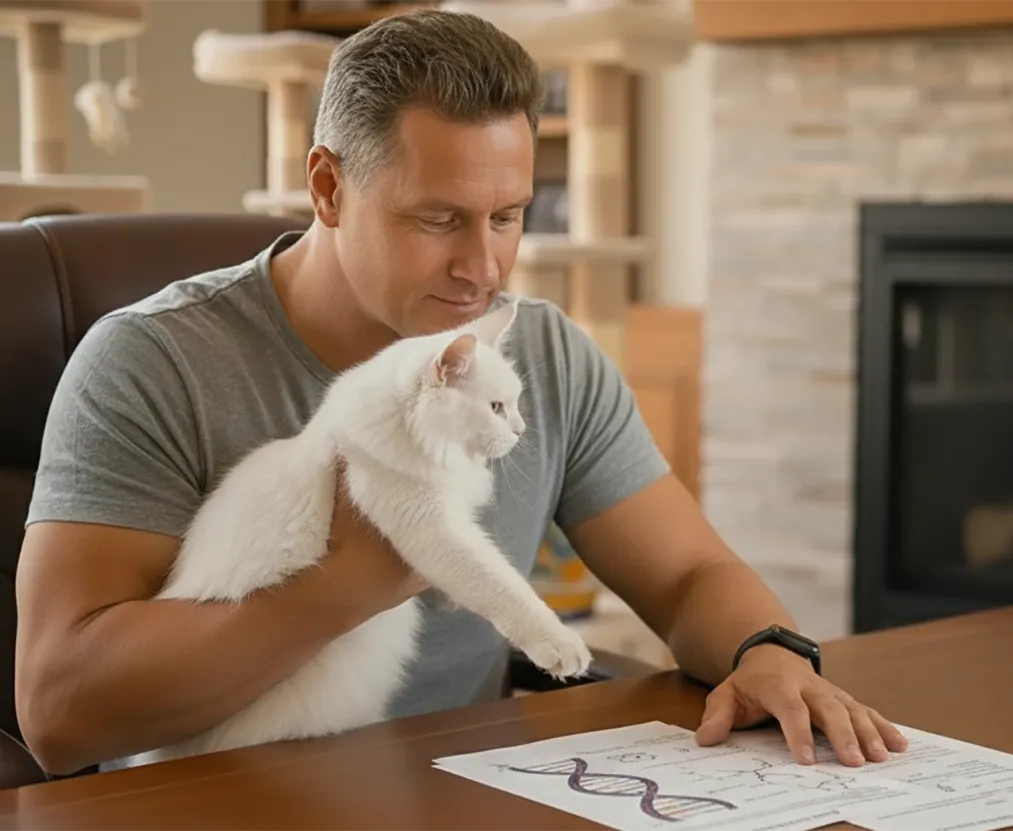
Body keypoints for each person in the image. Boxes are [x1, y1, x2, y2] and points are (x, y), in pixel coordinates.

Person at [14, 10, 907, 777]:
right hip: (218, 801)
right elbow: (59, 713)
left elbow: (687, 574)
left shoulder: (544, 356)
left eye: (508, 215)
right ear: (328, 186)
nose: (482, 268)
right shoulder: (152, 361)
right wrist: (354, 578)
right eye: (436, 219)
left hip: (464, 789)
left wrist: (770, 651)